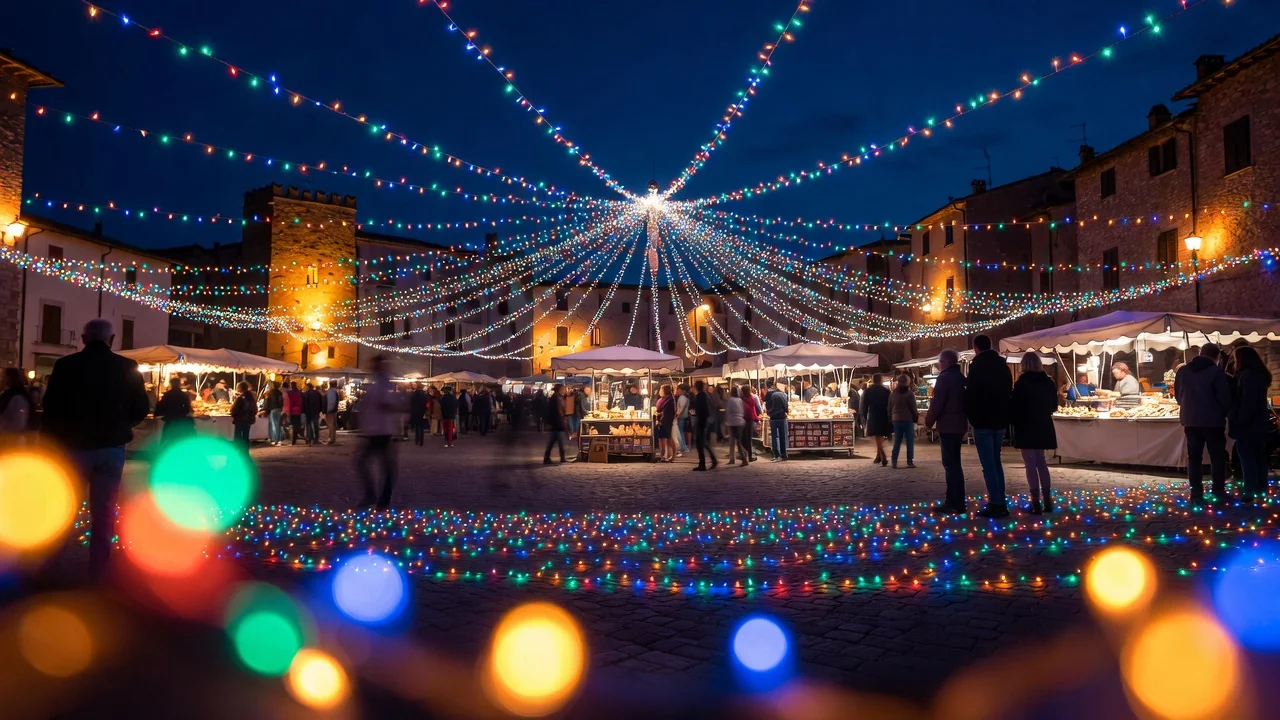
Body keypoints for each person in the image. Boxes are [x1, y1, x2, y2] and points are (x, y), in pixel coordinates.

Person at [40, 319, 149, 579]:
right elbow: (141, 408)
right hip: (111, 447)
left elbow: (51, 407)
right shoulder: (128, 366)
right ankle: (98, 569)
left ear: (83, 339)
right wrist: (123, 425)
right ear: (112, 340)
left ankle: (52, 567)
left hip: (75, 446)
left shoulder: (65, 365)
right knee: (104, 512)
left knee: (65, 507)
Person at [1175, 343, 1232, 504]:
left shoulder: (1183, 371)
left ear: (1201, 353)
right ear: (1217, 356)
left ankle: (1196, 494)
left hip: (1190, 420)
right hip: (1213, 421)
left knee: (1194, 458)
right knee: (1217, 457)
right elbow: (1224, 397)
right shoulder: (1215, 372)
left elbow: (1178, 395)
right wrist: (1225, 412)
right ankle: (1218, 491)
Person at [965, 334, 1013, 518]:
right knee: (996, 461)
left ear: (976, 347)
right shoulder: (1003, 365)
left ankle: (996, 503)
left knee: (988, 464)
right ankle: (1000, 500)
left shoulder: (977, 366)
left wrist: (972, 417)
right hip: (1000, 420)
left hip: (983, 420)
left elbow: (972, 394)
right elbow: (1008, 390)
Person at [1010, 353, 1058, 514]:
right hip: (1043, 424)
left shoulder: (1022, 383)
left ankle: (1035, 502)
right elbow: (1053, 406)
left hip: (1026, 424)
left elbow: (1015, 406)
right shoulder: (1049, 382)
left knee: (1030, 463)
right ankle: (1047, 500)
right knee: (1041, 461)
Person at [925, 348, 968, 514]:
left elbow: (937, 402)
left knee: (950, 464)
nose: (939, 365)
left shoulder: (945, 378)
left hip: (948, 425)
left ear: (945, 362)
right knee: (955, 463)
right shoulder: (960, 377)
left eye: (940, 362)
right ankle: (957, 500)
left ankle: (954, 502)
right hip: (959, 424)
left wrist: (929, 421)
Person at [1228, 346, 1272, 502]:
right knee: (1259, 457)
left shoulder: (1247, 376)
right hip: (1260, 423)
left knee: (1247, 458)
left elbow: (1248, 402)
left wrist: (1240, 420)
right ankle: (1261, 489)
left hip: (1248, 424)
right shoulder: (1260, 375)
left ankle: (1249, 491)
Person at [357, 356, 399, 510]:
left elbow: (387, 404)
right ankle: (376, 496)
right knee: (381, 466)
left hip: (381, 432)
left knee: (385, 467)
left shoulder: (382, 384)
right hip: (375, 431)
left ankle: (379, 498)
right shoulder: (379, 384)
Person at [889, 373, 918, 469]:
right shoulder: (909, 394)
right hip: (907, 419)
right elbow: (913, 408)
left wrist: (890, 418)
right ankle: (910, 461)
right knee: (909, 441)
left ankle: (894, 461)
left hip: (896, 420)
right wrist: (916, 418)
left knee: (897, 441)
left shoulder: (893, 393)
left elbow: (889, 407)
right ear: (907, 382)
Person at [154, 377, 194, 444]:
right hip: (181, 420)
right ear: (179, 384)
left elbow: (162, 406)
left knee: (167, 439)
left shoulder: (167, 395)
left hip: (169, 419)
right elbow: (187, 409)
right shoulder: (184, 395)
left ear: (171, 384)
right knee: (180, 439)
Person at [862, 374, 890, 466]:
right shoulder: (886, 391)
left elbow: (864, 405)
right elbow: (890, 405)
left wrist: (864, 416)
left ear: (873, 380)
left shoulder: (868, 391)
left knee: (876, 436)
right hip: (883, 415)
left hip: (873, 415)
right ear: (881, 380)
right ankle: (879, 456)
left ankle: (882, 454)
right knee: (879, 436)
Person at [0, 367, 32, 445]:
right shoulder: (8, 395)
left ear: (9, 378)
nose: (1, 380)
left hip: (11, 441)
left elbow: (19, 423)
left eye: (2, 377)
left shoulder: (16, 397)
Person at [691, 380, 719, 471]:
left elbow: (702, 410)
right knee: (703, 443)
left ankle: (702, 464)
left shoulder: (700, 396)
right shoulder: (705, 395)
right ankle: (713, 460)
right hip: (704, 421)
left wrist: (697, 417)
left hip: (702, 421)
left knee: (700, 443)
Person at [543, 384, 571, 463]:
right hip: (558, 422)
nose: (565, 390)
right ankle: (562, 458)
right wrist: (562, 421)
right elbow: (559, 411)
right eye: (564, 389)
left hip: (556, 422)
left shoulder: (557, 397)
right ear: (560, 389)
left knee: (552, 441)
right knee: (560, 441)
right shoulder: (557, 398)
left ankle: (547, 458)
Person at [764, 380, 790, 461]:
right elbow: (786, 406)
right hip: (782, 417)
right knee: (782, 436)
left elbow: (767, 405)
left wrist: (769, 413)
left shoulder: (770, 393)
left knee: (774, 436)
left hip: (773, 418)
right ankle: (784, 454)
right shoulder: (784, 394)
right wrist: (786, 412)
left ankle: (776, 455)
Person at [724, 385, 747, 466]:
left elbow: (728, 411)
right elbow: (743, 410)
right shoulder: (740, 400)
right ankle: (741, 456)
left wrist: (726, 422)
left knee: (733, 441)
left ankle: (741, 458)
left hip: (733, 422)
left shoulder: (730, 400)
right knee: (738, 441)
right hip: (740, 421)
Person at [231, 382, 257, 449]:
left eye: (238, 387)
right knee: (246, 436)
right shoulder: (252, 398)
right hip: (248, 420)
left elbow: (234, 409)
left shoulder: (240, 398)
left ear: (241, 388)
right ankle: (245, 450)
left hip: (240, 420)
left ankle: (238, 450)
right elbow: (255, 410)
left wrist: (233, 414)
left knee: (238, 436)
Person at [655, 384, 676, 462]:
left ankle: (672, 455)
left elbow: (666, 412)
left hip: (666, 422)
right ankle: (663, 455)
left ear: (665, 391)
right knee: (661, 438)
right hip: (660, 421)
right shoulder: (661, 399)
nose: (660, 391)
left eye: (661, 390)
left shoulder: (669, 400)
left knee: (668, 438)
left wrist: (661, 420)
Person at [741, 385, 760, 462]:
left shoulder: (742, 399)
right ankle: (750, 455)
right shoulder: (752, 398)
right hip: (751, 418)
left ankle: (744, 454)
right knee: (749, 438)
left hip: (743, 418)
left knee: (743, 438)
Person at [263, 381, 285, 446]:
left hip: (273, 409)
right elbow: (281, 401)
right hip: (279, 409)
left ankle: (275, 440)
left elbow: (268, 402)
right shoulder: (279, 392)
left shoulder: (270, 393)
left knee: (274, 425)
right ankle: (279, 440)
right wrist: (281, 407)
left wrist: (266, 410)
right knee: (278, 425)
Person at [302, 381, 322, 446]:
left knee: (309, 425)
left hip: (308, 412)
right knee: (316, 425)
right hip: (316, 411)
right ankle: (316, 439)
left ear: (308, 387)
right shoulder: (317, 393)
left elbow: (304, 404)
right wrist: (320, 410)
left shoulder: (305, 394)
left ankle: (309, 439)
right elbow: (321, 402)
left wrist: (304, 411)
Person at [408, 382, 428, 446]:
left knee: (417, 426)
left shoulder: (414, 394)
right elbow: (425, 403)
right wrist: (424, 410)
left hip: (415, 412)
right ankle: (421, 441)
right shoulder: (424, 394)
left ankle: (417, 440)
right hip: (421, 411)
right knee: (421, 427)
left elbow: (411, 402)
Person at [675, 385, 691, 455]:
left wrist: (677, 415)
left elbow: (681, 408)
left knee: (680, 432)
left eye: (678, 389)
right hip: (683, 417)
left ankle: (683, 447)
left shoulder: (682, 398)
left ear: (680, 390)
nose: (677, 391)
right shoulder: (685, 397)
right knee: (680, 432)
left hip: (681, 417)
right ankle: (683, 447)